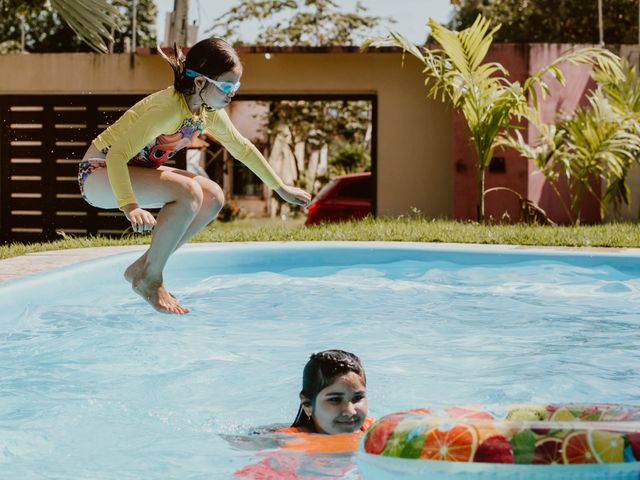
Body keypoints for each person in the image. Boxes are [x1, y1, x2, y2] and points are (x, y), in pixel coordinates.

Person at [77, 38, 311, 315]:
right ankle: (152, 278)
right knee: (189, 192)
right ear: (200, 83)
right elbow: (116, 156)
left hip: (132, 171)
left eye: (235, 87)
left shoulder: (205, 112)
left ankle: (144, 269)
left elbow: (242, 148)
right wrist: (130, 205)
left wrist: (279, 186)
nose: (231, 94)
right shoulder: (167, 110)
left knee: (212, 197)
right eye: (226, 86)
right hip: (98, 174)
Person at [278, 349, 375, 435]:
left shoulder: (373, 429)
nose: (350, 412)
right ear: (307, 405)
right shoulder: (285, 441)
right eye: (335, 399)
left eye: (357, 398)